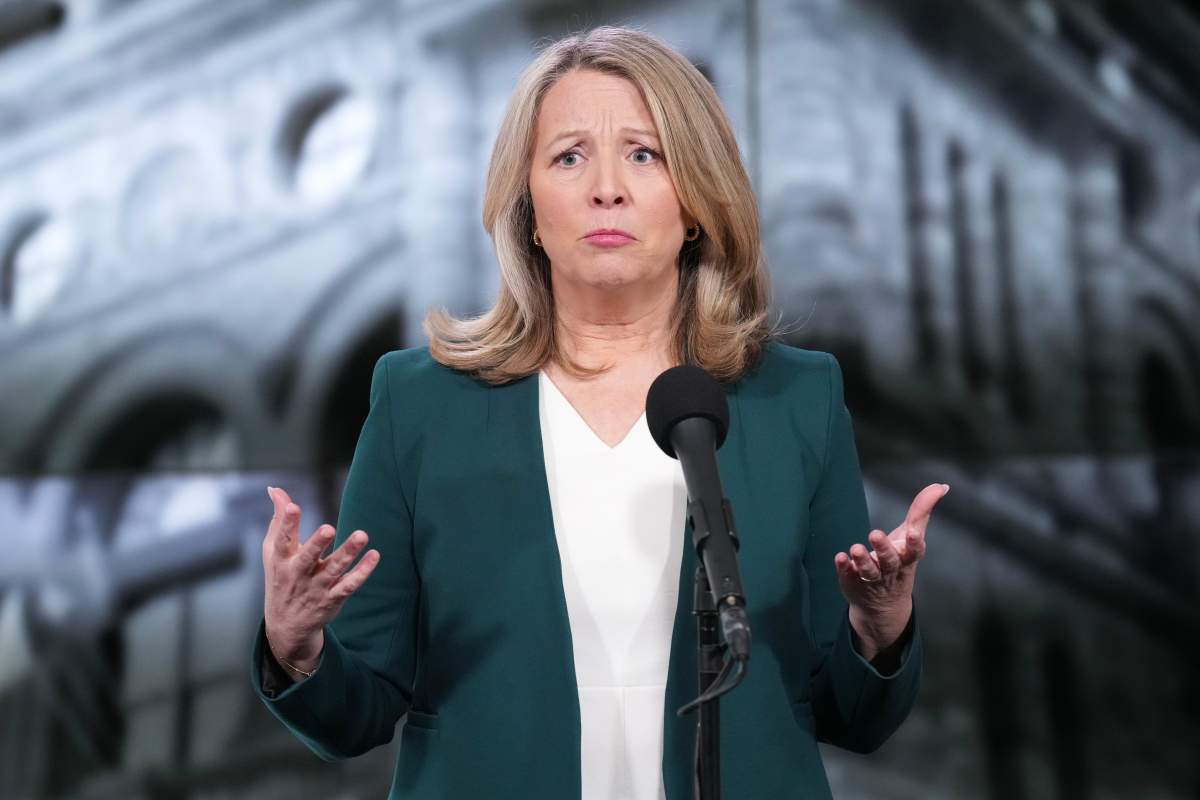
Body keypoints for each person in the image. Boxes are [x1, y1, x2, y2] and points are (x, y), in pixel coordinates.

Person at [251, 25, 946, 800]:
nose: (605, 187)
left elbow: (850, 712)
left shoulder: (796, 399)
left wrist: (880, 630)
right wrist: (297, 644)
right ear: (529, 209)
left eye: (644, 154)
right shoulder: (422, 403)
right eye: (569, 156)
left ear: (695, 200)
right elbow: (357, 710)